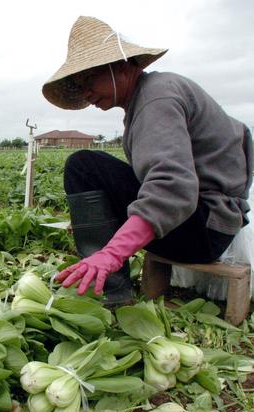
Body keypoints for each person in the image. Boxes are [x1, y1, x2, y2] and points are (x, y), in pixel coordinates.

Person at [42, 16, 253, 304]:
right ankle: (107, 282)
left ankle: (111, 292)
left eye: (89, 79)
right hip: (206, 224)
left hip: (203, 231)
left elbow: (173, 188)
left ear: (121, 66)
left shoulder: (156, 98)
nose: (86, 92)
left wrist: (111, 253)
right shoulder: (151, 96)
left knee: (84, 166)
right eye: (79, 84)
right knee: (94, 170)